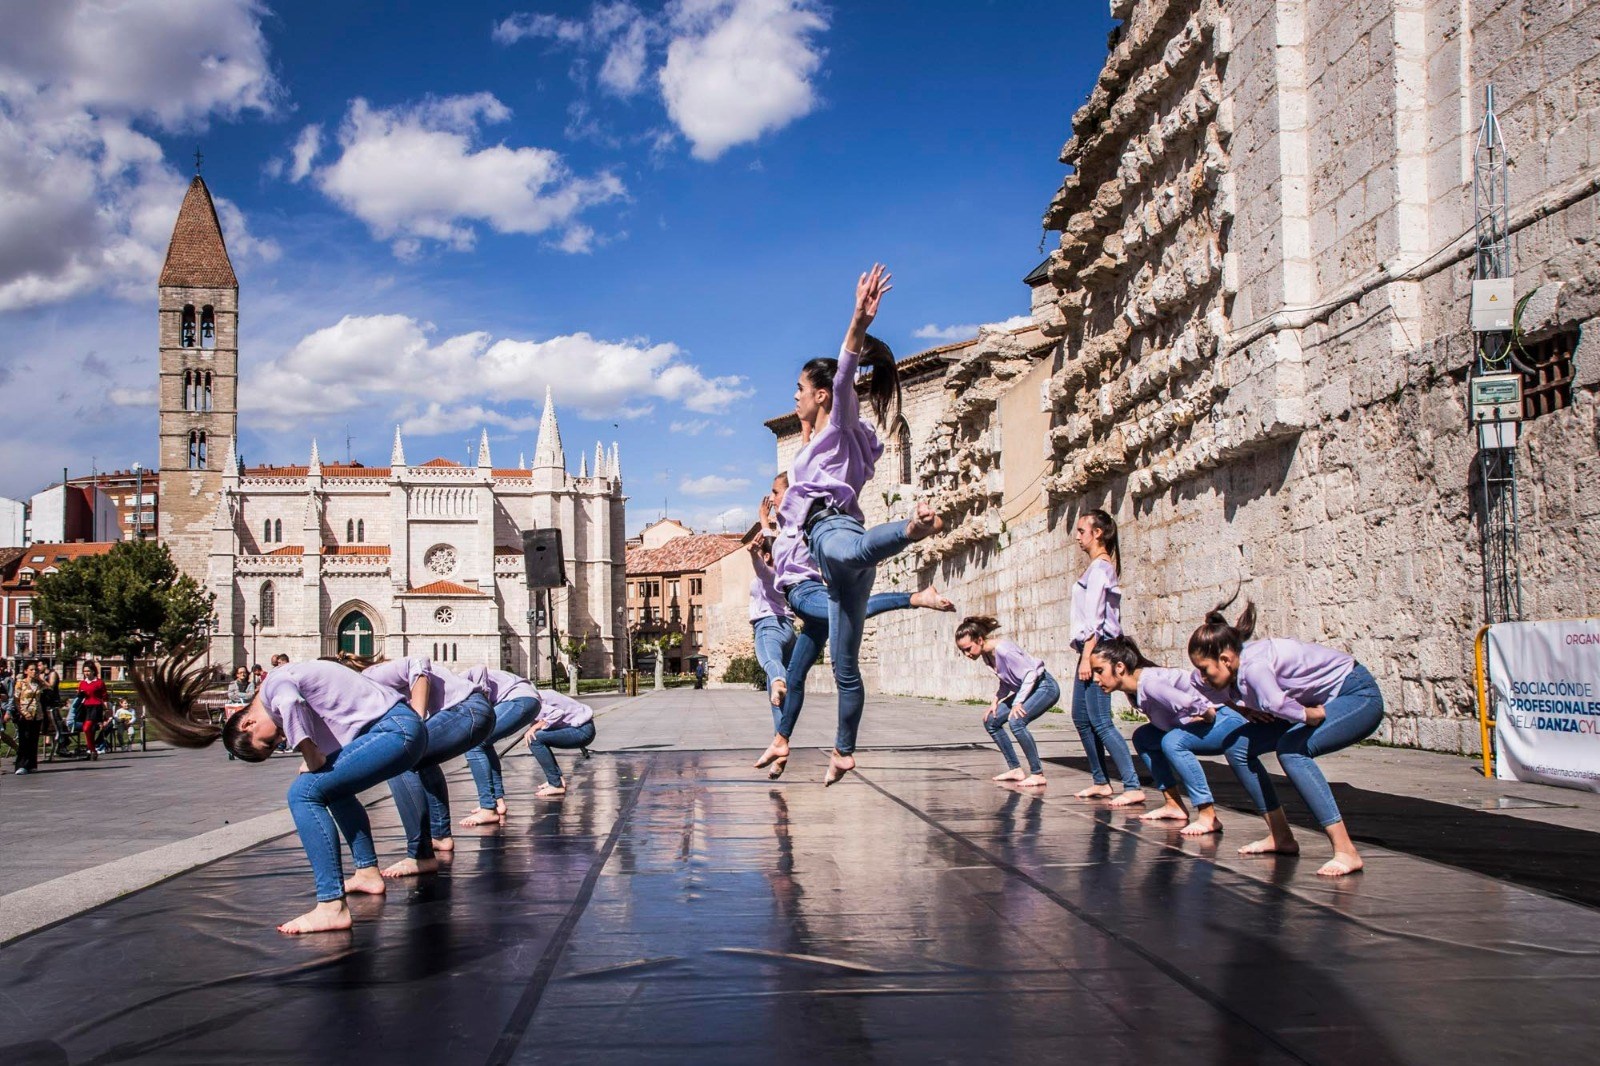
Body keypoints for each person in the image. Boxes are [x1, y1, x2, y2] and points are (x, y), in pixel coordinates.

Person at [140, 657, 428, 934]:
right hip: (400, 731)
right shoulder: (286, 681)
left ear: (248, 724)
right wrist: (317, 758)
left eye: (268, 741)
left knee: (301, 795)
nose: (280, 738)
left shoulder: (273, 684)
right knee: (331, 789)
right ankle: (367, 873)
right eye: (275, 744)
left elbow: (291, 702)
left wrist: (308, 750)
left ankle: (331, 905)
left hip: (395, 730)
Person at [1188, 600, 1386, 877]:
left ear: (1226, 660)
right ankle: (1281, 836)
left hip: (1357, 695)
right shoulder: (1228, 666)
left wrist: (1309, 715)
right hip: (1312, 703)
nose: (1202, 676)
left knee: (1292, 750)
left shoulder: (1254, 667)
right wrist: (1240, 707)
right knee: (1237, 747)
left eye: (1205, 669)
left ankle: (1346, 851)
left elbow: (1278, 704)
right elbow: (1198, 684)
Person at [1090, 636, 1274, 837]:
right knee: (1144, 737)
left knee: (1172, 742)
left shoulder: (1149, 683)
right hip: (1213, 720)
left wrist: (1206, 714)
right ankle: (1173, 804)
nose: (1095, 679)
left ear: (1119, 667)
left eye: (1099, 671)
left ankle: (1208, 815)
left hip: (1224, 721)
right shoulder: (1134, 688)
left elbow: (1192, 703)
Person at [361, 657, 494, 877]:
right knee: (422, 760)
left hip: (466, 709)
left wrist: (417, 717)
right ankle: (440, 836)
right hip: (475, 710)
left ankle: (420, 854)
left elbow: (418, 664)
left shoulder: (370, 677)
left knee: (399, 758)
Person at [1068, 510, 1144, 807]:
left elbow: (1096, 619)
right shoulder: (1095, 569)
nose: (1078, 536)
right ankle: (1100, 781)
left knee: (1100, 719)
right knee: (1081, 716)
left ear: (1098, 533)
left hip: (1099, 650)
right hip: (1090, 651)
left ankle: (1132, 784)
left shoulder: (1101, 569)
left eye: (1081, 530)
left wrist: (1088, 658)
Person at [954, 616, 1061, 789]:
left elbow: (1030, 674)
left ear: (980, 640)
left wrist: (1018, 702)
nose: (967, 654)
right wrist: (995, 701)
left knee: (1016, 721)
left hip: (1044, 686)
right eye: (963, 651)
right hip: (1028, 689)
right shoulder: (987, 655)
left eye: (968, 648)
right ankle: (1015, 769)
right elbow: (1006, 679)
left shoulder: (1004, 650)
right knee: (991, 721)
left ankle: (1037, 774)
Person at [458, 667, 543, 826]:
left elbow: (479, 669)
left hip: (520, 699)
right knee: (485, 743)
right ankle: (497, 802)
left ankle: (487, 808)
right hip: (528, 699)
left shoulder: (458, 680)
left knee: (474, 743)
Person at [524, 688, 596, 797]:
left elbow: (557, 713)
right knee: (535, 736)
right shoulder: (533, 695)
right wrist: (533, 727)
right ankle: (557, 780)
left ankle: (556, 785)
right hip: (583, 727)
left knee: (534, 739)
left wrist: (533, 728)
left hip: (582, 731)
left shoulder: (532, 700)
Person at [11, 661, 43, 774]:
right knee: (24, 739)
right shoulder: (21, 683)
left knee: (34, 740)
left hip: (37, 714)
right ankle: (21, 765)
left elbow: (50, 688)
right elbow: (16, 700)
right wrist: (24, 712)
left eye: (36, 670)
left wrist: (40, 679)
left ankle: (31, 764)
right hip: (24, 714)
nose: (34, 671)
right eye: (31, 669)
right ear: (26, 671)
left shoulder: (38, 683)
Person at [77, 662, 108, 761]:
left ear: (93, 671)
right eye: (85, 671)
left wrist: (106, 711)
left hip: (96, 707)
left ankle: (92, 749)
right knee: (89, 730)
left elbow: (104, 697)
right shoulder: (82, 683)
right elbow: (79, 696)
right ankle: (92, 750)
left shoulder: (99, 682)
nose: (86, 673)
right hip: (86, 707)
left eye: (88, 671)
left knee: (86, 728)